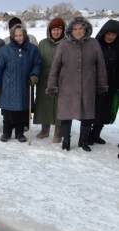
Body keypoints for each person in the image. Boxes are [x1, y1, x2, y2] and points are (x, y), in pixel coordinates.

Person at [47, 17, 108, 151]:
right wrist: (52, 85)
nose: (78, 31)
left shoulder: (94, 44)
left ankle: (83, 141)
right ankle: (66, 141)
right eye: (75, 29)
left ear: (86, 29)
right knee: (66, 113)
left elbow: (100, 66)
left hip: (87, 86)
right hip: (67, 86)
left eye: (81, 28)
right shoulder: (64, 45)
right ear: (70, 30)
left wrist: (101, 84)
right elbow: (55, 67)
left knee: (87, 114)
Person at [0, 24, 42, 143]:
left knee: (22, 110)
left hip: (25, 85)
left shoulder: (32, 49)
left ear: (24, 35)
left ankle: (19, 133)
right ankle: (6, 132)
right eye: (16, 36)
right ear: (12, 36)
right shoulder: (5, 50)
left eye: (20, 35)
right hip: (8, 86)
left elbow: (37, 64)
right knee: (8, 112)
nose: (18, 38)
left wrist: (35, 75)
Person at [33, 18, 67, 143]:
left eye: (59, 29)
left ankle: (59, 132)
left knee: (60, 106)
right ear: (49, 31)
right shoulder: (42, 43)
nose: (56, 32)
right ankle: (44, 130)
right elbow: (36, 61)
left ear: (63, 30)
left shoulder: (67, 43)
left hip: (61, 81)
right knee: (44, 105)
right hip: (45, 79)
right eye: (54, 30)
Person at [88, 20, 119, 145]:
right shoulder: (96, 46)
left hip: (113, 83)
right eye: (109, 34)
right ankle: (88, 135)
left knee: (106, 109)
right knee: (94, 109)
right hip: (96, 84)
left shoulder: (118, 47)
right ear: (103, 33)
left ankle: (96, 134)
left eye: (114, 34)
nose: (111, 37)